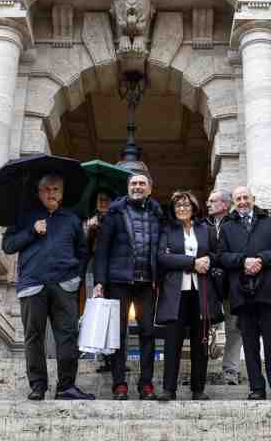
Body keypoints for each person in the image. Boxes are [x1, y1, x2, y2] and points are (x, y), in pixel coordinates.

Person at [3, 173, 95, 401]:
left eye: (55, 189)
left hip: (64, 284)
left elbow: (83, 252)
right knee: (34, 337)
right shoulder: (26, 216)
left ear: (62, 194)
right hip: (33, 284)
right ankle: (37, 385)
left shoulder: (72, 219)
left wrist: (76, 278)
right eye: (46, 189)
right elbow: (8, 245)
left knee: (67, 336)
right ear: (39, 192)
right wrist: (32, 231)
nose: (51, 193)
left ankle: (66, 387)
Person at [93, 172, 163, 400]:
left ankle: (146, 385)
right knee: (118, 333)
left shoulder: (158, 214)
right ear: (128, 187)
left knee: (148, 333)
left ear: (150, 188)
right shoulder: (114, 213)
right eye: (133, 183)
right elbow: (102, 250)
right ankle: (119, 384)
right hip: (118, 282)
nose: (137, 186)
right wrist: (99, 283)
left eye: (142, 183)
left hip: (146, 283)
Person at [216, 185, 271, 401]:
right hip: (242, 294)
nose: (242, 202)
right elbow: (221, 256)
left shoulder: (270, 222)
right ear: (234, 203)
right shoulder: (227, 227)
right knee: (249, 345)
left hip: (268, 292)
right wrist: (243, 261)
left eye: (245, 198)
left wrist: (260, 260)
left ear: (253, 199)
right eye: (238, 199)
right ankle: (256, 388)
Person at [156, 190, 223, 401]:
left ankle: (198, 389)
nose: (182, 209)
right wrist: (191, 262)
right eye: (178, 206)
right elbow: (162, 257)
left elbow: (216, 254)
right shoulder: (167, 229)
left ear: (193, 208)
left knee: (200, 341)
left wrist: (207, 261)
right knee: (172, 342)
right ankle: (169, 389)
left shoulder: (206, 229)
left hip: (201, 291)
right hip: (176, 293)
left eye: (186, 205)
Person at [204, 188, 241, 385]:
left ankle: (230, 371)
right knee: (201, 327)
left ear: (225, 204)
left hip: (231, 285)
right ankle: (199, 370)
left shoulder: (237, 224)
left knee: (234, 328)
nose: (208, 204)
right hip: (207, 285)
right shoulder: (203, 224)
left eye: (213, 201)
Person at [82, 188, 115, 372]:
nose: (103, 203)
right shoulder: (90, 220)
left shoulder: (117, 218)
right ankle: (101, 357)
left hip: (115, 268)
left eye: (106, 200)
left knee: (115, 314)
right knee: (97, 310)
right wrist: (89, 229)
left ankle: (116, 357)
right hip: (93, 267)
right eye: (100, 200)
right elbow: (82, 246)